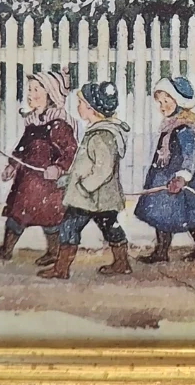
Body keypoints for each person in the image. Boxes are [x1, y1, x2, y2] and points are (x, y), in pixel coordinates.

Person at [38, 80, 131, 280]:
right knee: (110, 226)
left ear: (92, 109)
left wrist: (84, 186)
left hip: (90, 197)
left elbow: (103, 169)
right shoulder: (97, 132)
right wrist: (67, 180)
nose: (78, 106)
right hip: (99, 198)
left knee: (70, 227)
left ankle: (61, 268)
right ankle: (121, 262)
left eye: (81, 103)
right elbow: (84, 166)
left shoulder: (102, 136)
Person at [0, 69, 77, 266]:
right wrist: (12, 165)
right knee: (16, 215)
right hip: (27, 181)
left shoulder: (58, 124)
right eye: (29, 89)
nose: (30, 94)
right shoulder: (33, 123)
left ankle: (54, 252)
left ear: (50, 94)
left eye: (36, 90)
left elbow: (70, 151)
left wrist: (59, 168)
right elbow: (22, 147)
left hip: (48, 184)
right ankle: (6, 249)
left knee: (50, 219)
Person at [134, 76, 195, 264]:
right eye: (160, 102)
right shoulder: (170, 126)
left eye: (167, 101)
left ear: (179, 102)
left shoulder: (184, 129)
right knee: (163, 215)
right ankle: (162, 251)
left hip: (179, 181)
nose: (163, 106)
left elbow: (191, 155)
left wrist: (182, 177)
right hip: (164, 179)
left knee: (190, 215)